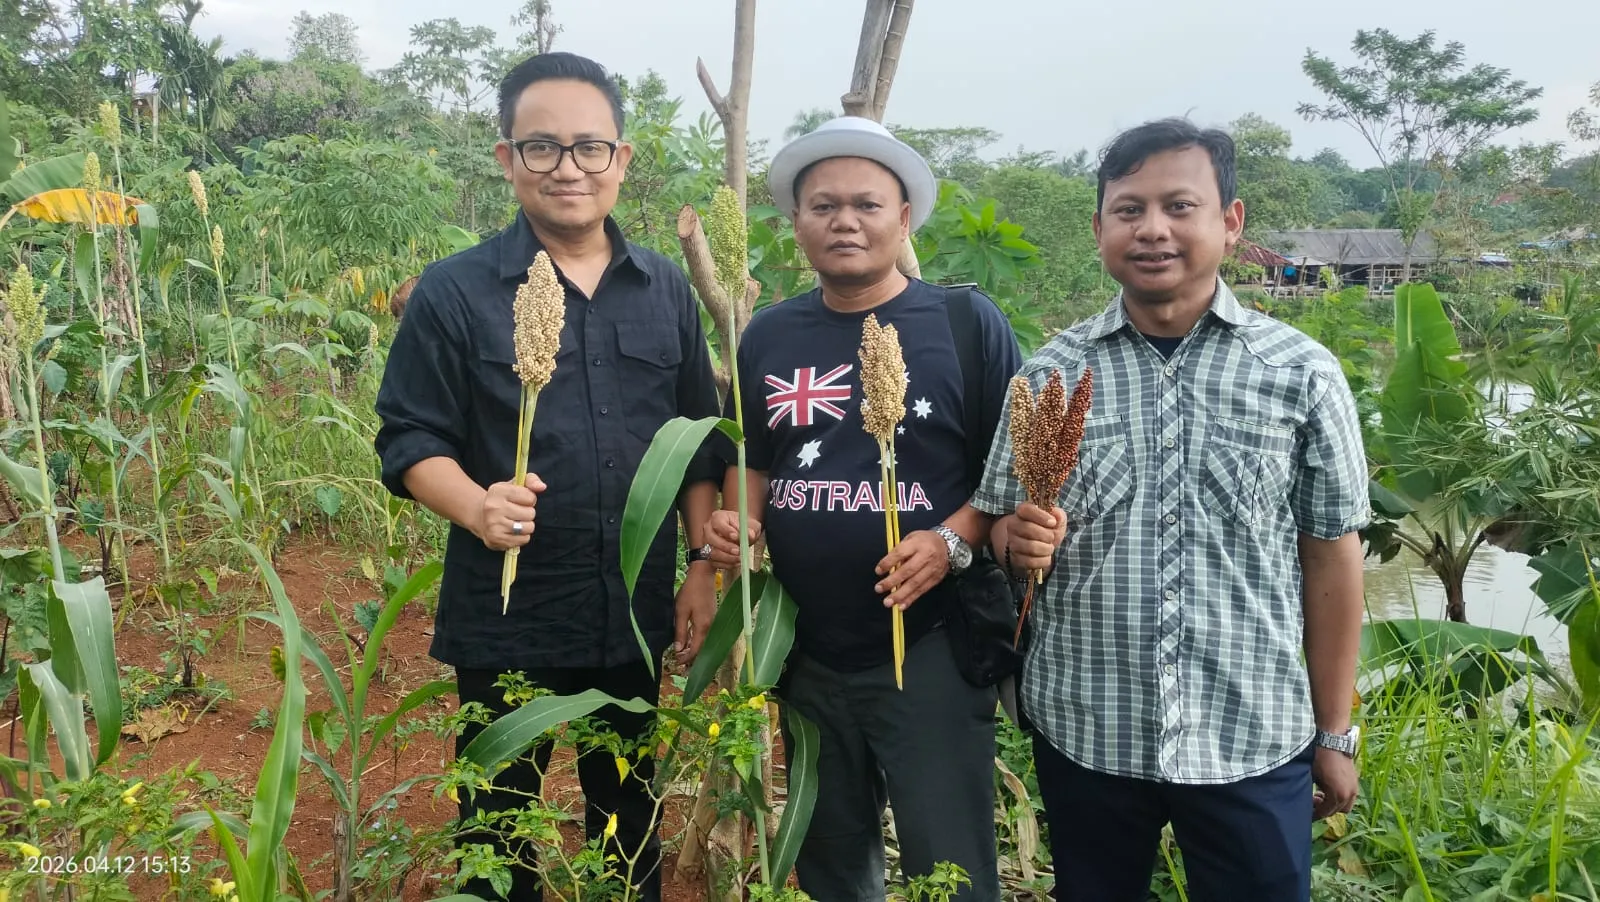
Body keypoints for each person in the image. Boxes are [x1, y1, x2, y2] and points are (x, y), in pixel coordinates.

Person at [974, 118, 1369, 902]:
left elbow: (1333, 557)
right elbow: (994, 522)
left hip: (1251, 734)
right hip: (1086, 731)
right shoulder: (1050, 374)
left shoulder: (1300, 375)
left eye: (1179, 206)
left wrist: (1335, 732)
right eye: (1129, 209)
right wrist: (1008, 538)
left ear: (1230, 221)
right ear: (1098, 228)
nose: (1153, 229)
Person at [373, 52, 722, 902]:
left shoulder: (666, 290)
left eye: (589, 147)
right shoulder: (455, 292)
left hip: (632, 612)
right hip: (507, 614)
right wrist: (477, 505)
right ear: (507, 159)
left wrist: (703, 565)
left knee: (627, 822)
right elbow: (410, 436)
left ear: (621, 159)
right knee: (497, 829)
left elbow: (697, 441)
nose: (568, 168)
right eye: (542, 148)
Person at [703, 116, 1022, 901]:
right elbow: (755, 460)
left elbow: (1011, 475)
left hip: (933, 650)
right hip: (807, 651)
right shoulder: (770, 335)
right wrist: (736, 524)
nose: (844, 221)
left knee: (949, 870)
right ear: (797, 223)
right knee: (833, 864)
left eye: (867, 205)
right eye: (823, 205)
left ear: (904, 218)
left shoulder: (964, 324)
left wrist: (951, 538)